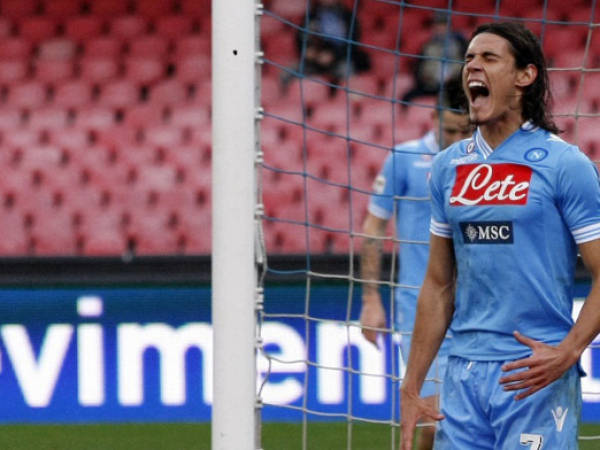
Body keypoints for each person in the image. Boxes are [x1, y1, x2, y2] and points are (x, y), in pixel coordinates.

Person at [400, 22, 600, 450]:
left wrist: (568, 351)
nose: (473, 65)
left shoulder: (565, 165)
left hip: (534, 373)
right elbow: (438, 283)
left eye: (489, 58)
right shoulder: (448, 167)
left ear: (525, 76)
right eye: (469, 59)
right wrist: (413, 382)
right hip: (464, 373)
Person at [359, 76, 472, 450]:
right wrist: (371, 300)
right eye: (450, 130)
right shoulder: (404, 159)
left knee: (471, 420)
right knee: (435, 419)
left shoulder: (480, 163)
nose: (457, 140)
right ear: (434, 118)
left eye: (464, 131)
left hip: (477, 309)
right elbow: (373, 228)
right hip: (420, 308)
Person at [282, 0, 370, 88]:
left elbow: (353, 43)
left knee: (347, 72)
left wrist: (334, 55)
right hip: (313, 62)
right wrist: (307, 52)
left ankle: (340, 98)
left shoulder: (347, 17)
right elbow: (300, 38)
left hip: (339, 61)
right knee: (288, 72)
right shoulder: (311, 16)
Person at [401, 11, 467, 105]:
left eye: (443, 25)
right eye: (438, 26)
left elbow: (466, 65)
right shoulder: (427, 46)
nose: (440, 29)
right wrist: (425, 77)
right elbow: (418, 70)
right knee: (406, 97)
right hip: (431, 85)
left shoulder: (460, 44)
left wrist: (454, 78)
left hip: (453, 86)